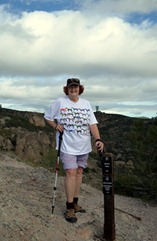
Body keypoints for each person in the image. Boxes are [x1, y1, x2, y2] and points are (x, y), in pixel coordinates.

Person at [44, 78, 104, 223]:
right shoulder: (60, 102)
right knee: (71, 172)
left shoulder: (86, 104)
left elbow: (92, 124)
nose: (73, 89)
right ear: (67, 89)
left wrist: (98, 139)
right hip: (67, 145)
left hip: (83, 145)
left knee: (79, 172)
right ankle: (69, 207)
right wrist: (55, 126)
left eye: (76, 87)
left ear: (79, 89)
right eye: (71, 87)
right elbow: (47, 117)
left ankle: (76, 203)